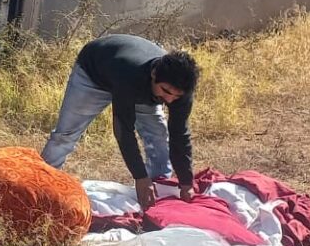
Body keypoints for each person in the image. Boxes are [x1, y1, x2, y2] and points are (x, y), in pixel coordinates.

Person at [40, 34, 201, 209]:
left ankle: (159, 189)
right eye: (166, 91)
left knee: (158, 138)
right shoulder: (130, 73)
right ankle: (41, 185)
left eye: (176, 96)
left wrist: (186, 182)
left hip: (142, 88)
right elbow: (123, 129)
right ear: (154, 74)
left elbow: (180, 135)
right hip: (95, 73)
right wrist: (140, 177)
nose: (169, 101)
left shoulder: (181, 89)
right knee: (65, 135)